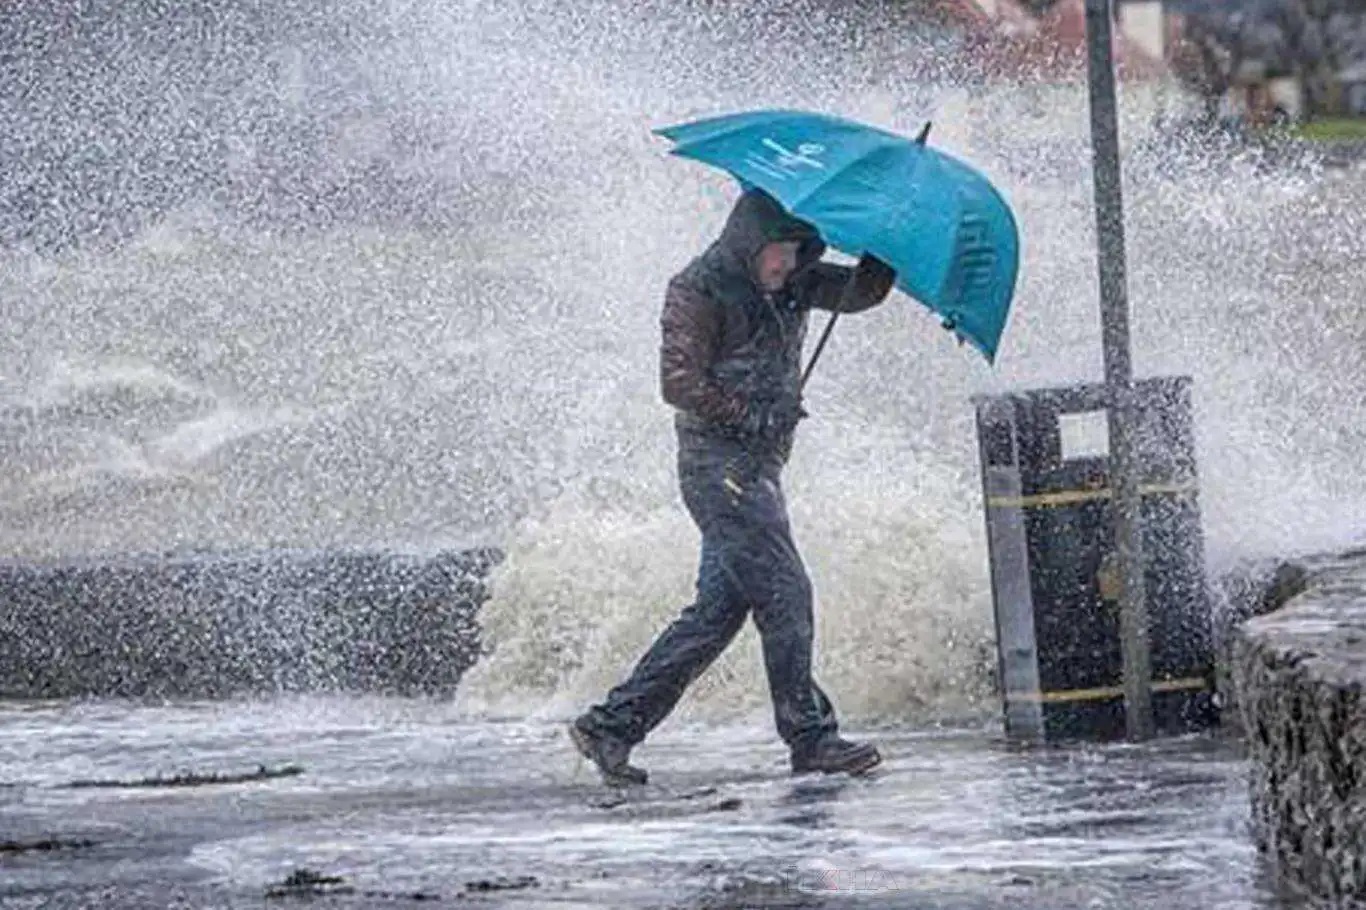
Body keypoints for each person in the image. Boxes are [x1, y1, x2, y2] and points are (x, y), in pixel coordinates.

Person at [569, 188, 897, 785]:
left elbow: (860, 293)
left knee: (717, 613)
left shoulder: (794, 280)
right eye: (779, 253)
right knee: (787, 592)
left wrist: (885, 246)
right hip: (716, 468)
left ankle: (611, 727)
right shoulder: (697, 288)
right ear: (750, 243)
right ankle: (810, 737)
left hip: (759, 469)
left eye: (799, 253)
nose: (788, 266)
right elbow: (678, 383)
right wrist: (751, 415)